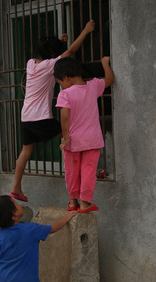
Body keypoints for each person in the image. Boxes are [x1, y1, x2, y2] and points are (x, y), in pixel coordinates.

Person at [10, 20, 96, 202]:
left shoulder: (31, 63)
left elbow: (49, 52)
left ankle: (16, 187)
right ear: (51, 55)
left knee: (25, 152)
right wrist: (86, 31)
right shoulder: (50, 66)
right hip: (41, 118)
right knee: (71, 136)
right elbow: (71, 52)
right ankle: (77, 191)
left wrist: (58, 42)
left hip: (26, 117)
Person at [54, 56, 114, 213]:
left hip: (72, 141)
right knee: (88, 172)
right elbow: (109, 79)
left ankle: (73, 201)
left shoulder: (65, 94)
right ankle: (85, 203)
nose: (61, 86)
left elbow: (65, 116)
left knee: (72, 171)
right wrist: (105, 64)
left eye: (60, 82)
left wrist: (65, 137)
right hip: (92, 140)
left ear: (65, 78)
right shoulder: (93, 86)